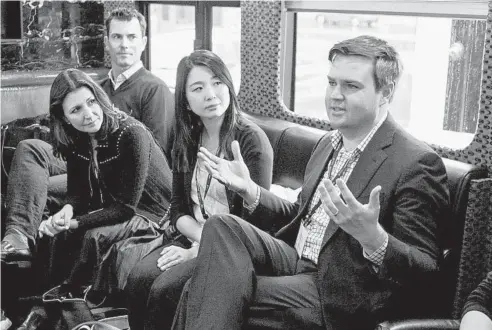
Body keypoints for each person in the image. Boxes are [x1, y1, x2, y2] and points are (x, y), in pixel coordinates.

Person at [170, 35, 450, 330]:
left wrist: (374, 239)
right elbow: (298, 215)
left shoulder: (416, 162)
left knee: (201, 289)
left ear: (386, 92)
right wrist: (250, 190)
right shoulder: (328, 144)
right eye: (332, 83)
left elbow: (425, 272)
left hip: (338, 289)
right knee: (221, 226)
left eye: (351, 86)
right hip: (295, 257)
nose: (335, 95)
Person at [100, 49, 274, 330]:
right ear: (186, 101)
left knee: (163, 290)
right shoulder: (188, 137)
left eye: (217, 82)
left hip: (233, 248)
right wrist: (199, 240)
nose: (211, 93)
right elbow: (179, 207)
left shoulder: (251, 141)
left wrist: (202, 250)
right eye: (198, 87)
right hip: (194, 234)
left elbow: (255, 224)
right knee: (137, 278)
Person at [1, 7, 174, 263]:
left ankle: (29, 260)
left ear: (144, 42)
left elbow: (151, 155)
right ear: (106, 42)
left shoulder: (153, 89)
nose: (124, 44)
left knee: (34, 189)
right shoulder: (94, 87)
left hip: (121, 176)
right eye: (117, 37)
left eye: (131, 37)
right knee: (30, 147)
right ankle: (17, 236)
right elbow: (75, 140)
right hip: (88, 160)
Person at [41, 68, 171, 291]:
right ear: (64, 117)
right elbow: (78, 193)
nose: (89, 114)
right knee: (57, 236)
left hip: (153, 215)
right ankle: (54, 298)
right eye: (76, 110)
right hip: (113, 207)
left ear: (100, 98)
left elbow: (125, 209)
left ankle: (74, 298)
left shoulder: (131, 133)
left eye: (91, 102)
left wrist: (73, 223)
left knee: (92, 235)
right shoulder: (76, 138)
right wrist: (68, 210)